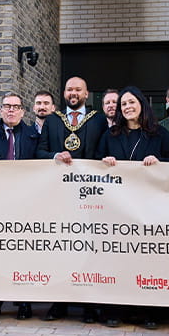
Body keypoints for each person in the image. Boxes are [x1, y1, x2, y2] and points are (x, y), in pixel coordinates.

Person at [98, 86, 169, 330]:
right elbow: (94, 162)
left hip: (149, 210)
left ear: (142, 104)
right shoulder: (110, 135)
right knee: (117, 260)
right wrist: (105, 162)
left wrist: (160, 162)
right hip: (117, 209)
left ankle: (150, 311)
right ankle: (115, 310)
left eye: (132, 102)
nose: (127, 107)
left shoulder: (159, 134)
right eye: (123, 104)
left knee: (148, 261)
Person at [36, 76, 107, 322]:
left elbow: (104, 151)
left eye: (78, 89)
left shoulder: (98, 119)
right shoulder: (53, 120)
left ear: (87, 94)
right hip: (59, 194)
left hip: (89, 195)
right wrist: (55, 155)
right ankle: (60, 302)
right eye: (69, 89)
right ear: (64, 93)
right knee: (61, 248)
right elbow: (39, 151)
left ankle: (88, 304)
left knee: (88, 248)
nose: (73, 93)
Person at [0, 92, 40, 320]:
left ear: (23, 111)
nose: (11, 110)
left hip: (26, 204)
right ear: (1, 110)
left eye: (16, 106)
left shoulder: (34, 136)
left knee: (25, 254)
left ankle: (24, 302)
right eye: (7, 106)